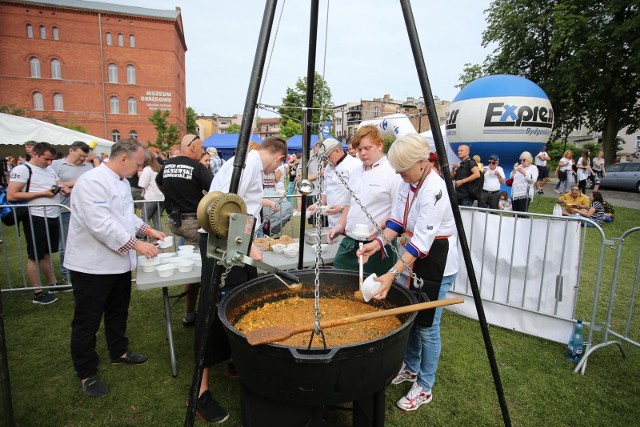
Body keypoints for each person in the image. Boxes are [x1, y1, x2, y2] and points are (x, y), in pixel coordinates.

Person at [357, 133, 457, 412]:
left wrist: (391, 273)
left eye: (403, 170)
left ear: (422, 162)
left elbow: (422, 242)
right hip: (412, 258)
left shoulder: (435, 189)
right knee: (411, 318)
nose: (400, 176)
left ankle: (425, 386)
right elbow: (397, 222)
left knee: (427, 327)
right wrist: (375, 244)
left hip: (436, 259)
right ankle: (411, 368)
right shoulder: (409, 182)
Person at [193, 136, 287, 423]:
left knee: (242, 303)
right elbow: (219, 210)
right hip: (221, 245)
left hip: (236, 243)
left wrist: (251, 237)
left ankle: (235, 360)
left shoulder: (252, 166)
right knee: (213, 309)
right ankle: (199, 392)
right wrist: (248, 246)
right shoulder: (245, 166)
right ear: (280, 158)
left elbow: (243, 206)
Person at [64, 138, 165, 398]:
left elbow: (124, 216)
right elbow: (101, 224)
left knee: (118, 311)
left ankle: (119, 351)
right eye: (138, 164)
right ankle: (86, 373)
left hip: (117, 264)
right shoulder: (92, 182)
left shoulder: (120, 182)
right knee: (87, 321)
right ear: (123, 159)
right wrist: (137, 245)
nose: (139, 169)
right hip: (91, 265)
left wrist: (147, 229)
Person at [156, 134, 213, 327]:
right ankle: (193, 313)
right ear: (192, 147)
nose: (203, 151)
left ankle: (192, 311)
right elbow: (216, 189)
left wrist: (171, 196)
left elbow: (159, 182)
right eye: (201, 147)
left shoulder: (168, 165)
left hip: (174, 221)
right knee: (199, 268)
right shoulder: (197, 168)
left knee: (188, 256)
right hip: (193, 223)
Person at [328, 125, 401, 276]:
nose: (362, 153)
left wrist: (381, 225)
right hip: (350, 242)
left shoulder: (393, 172)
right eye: (359, 149)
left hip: (379, 245)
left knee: (374, 293)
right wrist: (340, 226)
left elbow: (399, 212)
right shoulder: (355, 172)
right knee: (337, 281)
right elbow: (349, 204)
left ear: (380, 145)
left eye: (367, 148)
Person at [7, 142, 70, 304]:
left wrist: (62, 188)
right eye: (46, 159)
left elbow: (57, 183)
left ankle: (53, 284)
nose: (49, 162)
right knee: (35, 255)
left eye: (51, 160)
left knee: (46, 253)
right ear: (35, 154)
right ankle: (38, 292)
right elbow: (12, 195)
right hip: (35, 216)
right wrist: (43, 193)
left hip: (52, 215)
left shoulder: (49, 169)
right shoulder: (22, 170)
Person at [51, 141, 93, 284]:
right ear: (71, 151)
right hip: (65, 210)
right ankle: (67, 274)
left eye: (84, 157)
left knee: (87, 242)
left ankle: (85, 270)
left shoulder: (88, 167)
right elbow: (51, 184)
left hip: (85, 210)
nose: (82, 159)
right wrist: (70, 184)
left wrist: (69, 183)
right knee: (66, 244)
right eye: (80, 156)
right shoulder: (56, 165)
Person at [308, 138, 361, 228]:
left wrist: (341, 207)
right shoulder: (328, 168)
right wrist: (317, 205)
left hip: (350, 222)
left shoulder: (355, 165)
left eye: (327, 157)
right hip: (332, 221)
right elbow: (326, 191)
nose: (325, 161)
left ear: (337, 150)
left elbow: (360, 194)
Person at [138, 151, 165, 231]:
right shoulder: (160, 168)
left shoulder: (147, 170)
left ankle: (152, 236)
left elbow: (142, 184)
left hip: (151, 198)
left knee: (144, 218)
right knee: (157, 220)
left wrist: (140, 176)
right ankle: (160, 239)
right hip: (161, 197)